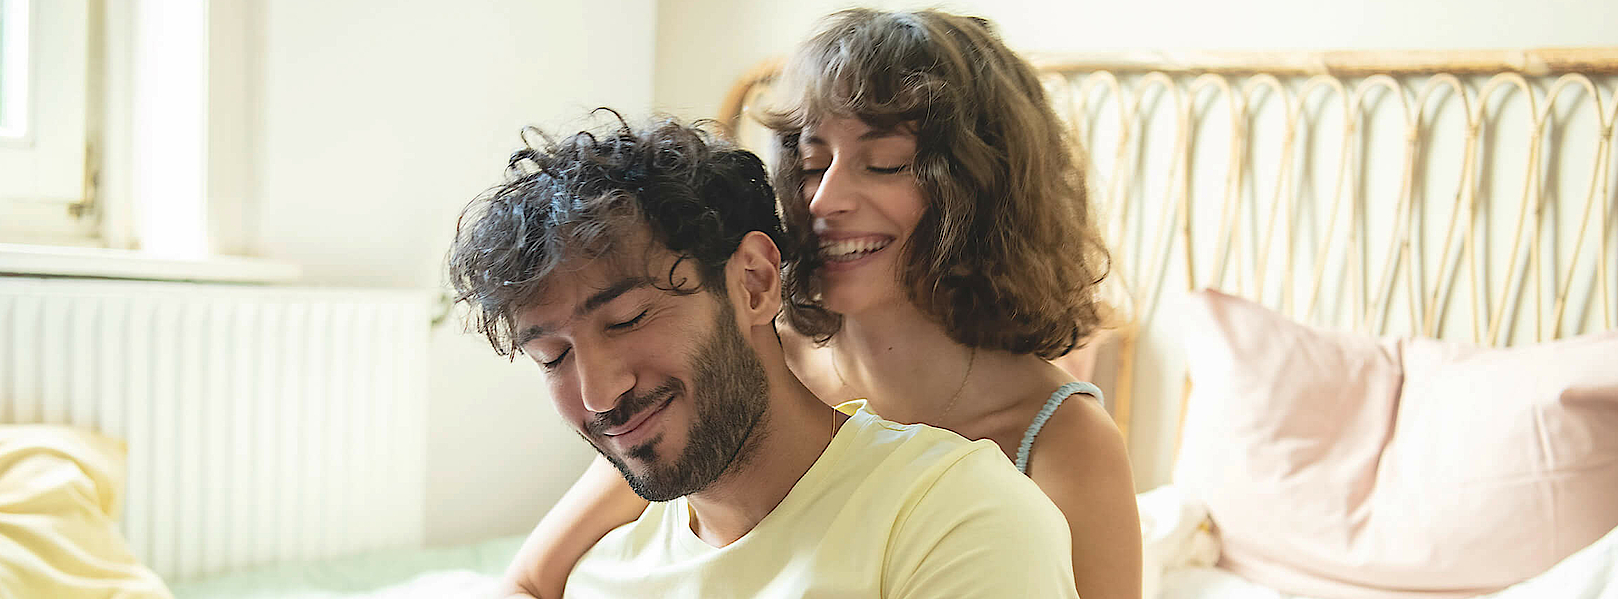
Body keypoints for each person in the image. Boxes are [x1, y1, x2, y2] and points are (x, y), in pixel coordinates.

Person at [497, 8, 1141, 599]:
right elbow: (531, 578)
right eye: (811, 162)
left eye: (884, 163)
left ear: (978, 190)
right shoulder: (748, 376)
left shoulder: (1055, 442)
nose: (825, 200)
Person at [447, 114, 1079, 598]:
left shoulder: (949, 511)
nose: (599, 394)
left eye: (628, 319)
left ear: (752, 282)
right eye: (553, 356)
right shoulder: (603, 563)